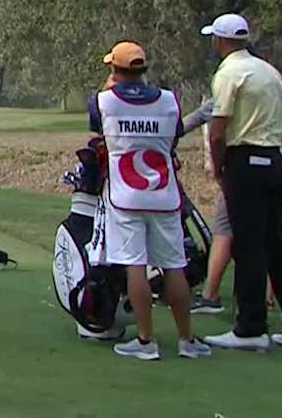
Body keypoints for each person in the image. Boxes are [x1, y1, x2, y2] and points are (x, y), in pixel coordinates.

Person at [198, 14, 282, 352]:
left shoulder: (229, 73)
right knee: (278, 245)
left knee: (247, 246)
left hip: (245, 163)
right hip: (273, 164)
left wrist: (220, 168)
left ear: (220, 41)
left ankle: (250, 327)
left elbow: (219, 129)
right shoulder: (269, 71)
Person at [88, 41, 211, 360]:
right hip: (164, 194)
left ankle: (146, 341)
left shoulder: (103, 102)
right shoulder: (169, 101)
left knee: (136, 267)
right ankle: (187, 339)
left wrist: (111, 85)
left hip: (125, 196)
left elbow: (96, 126)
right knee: (174, 267)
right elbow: (174, 134)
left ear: (115, 69)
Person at [181, 50, 282, 314]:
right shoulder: (279, 93)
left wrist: (217, 167)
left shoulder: (234, 89)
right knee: (273, 236)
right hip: (274, 168)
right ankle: (270, 301)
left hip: (242, 170)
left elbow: (203, 124)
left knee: (228, 232)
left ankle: (216, 299)